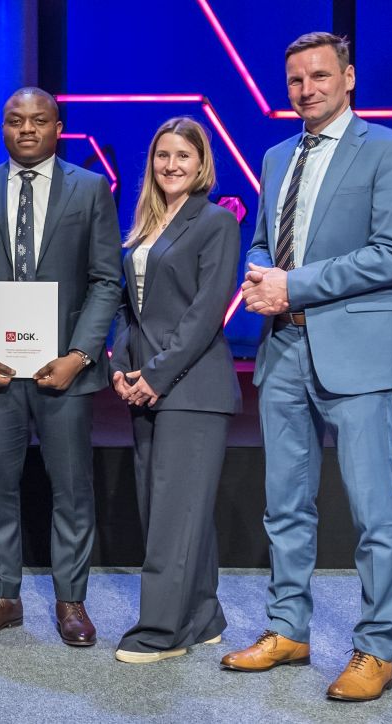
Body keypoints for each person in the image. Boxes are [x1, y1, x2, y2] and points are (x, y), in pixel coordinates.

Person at [221, 32, 392, 703]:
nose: (307, 89)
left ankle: (377, 649)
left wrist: (294, 285)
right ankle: (288, 628)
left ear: (349, 77)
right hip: (282, 350)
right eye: (296, 80)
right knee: (286, 507)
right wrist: (259, 280)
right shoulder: (278, 155)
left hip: (356, 356)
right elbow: (262, 242)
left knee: (373, 513)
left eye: (319, 76)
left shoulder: (391, 150)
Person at [0, 87, 121, 644]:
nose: (26, 128)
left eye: (38, 120)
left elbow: (105, 281)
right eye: (15, 120)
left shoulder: (91, 190)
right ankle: (3, 599)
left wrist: (79, 355)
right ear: (3, 128)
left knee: (71, 488)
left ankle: (71, 602)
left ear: (58, 125)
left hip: (63, 370)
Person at [109, 117, 241, 664]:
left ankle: (163, 632)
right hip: (146, 383)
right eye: (162, 155)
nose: (171, 165)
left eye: (183, 156)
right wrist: (121, 364)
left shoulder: (216, 223)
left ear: (201, 162)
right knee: (173, 508)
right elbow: (130, 307)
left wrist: (156, 376)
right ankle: (204, 614)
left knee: (172, 515)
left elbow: (205, 314)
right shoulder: (146, 225)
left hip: (193, 388)